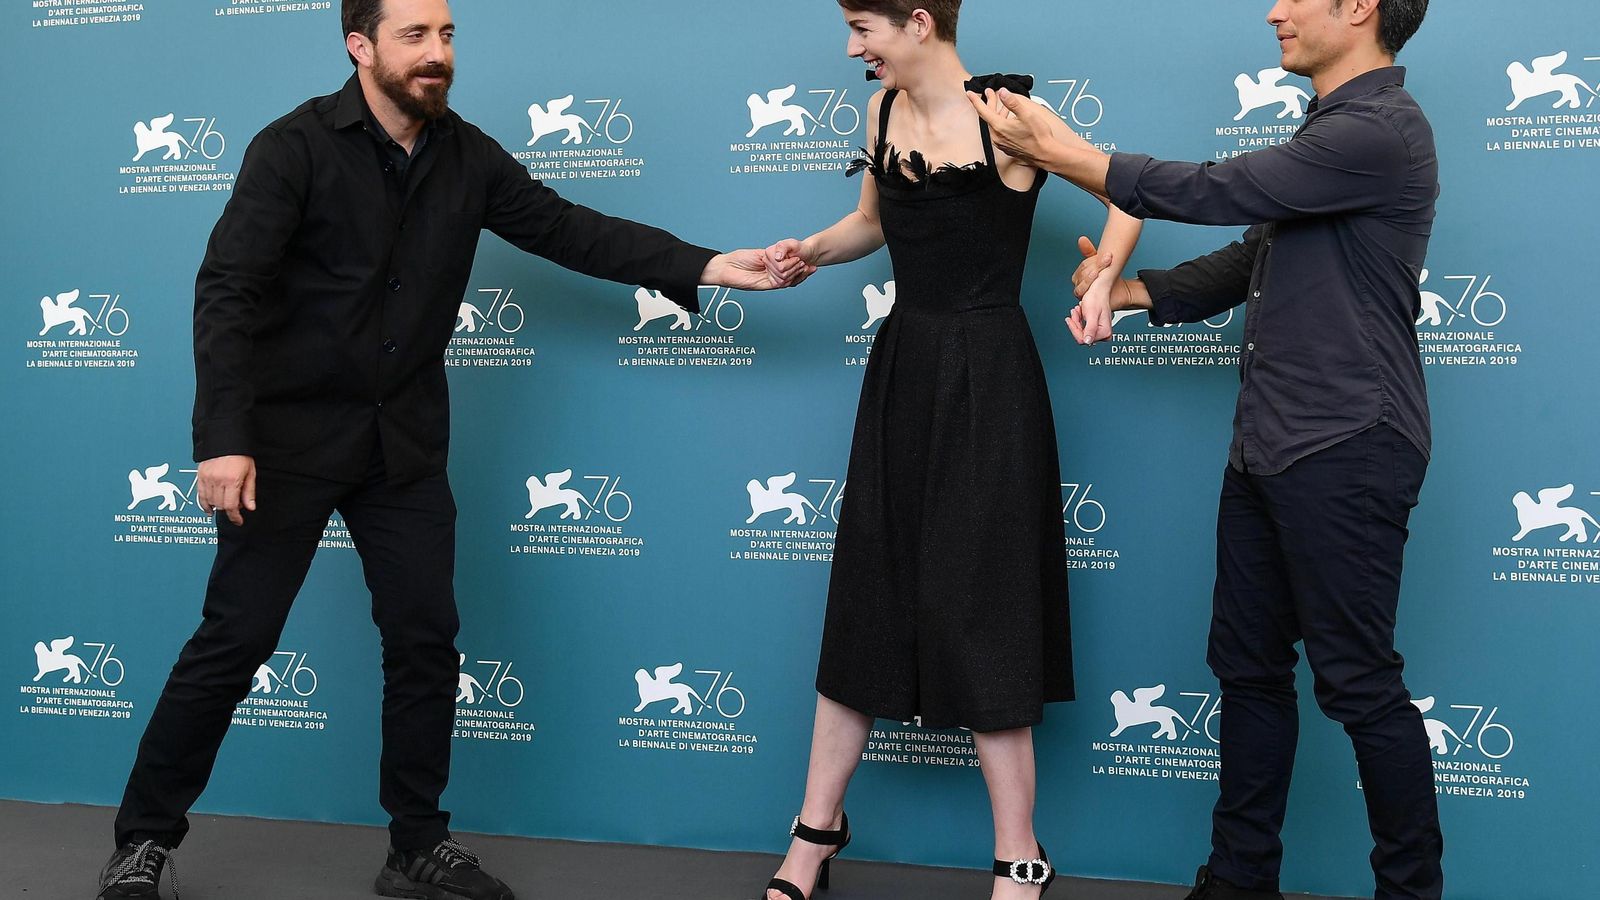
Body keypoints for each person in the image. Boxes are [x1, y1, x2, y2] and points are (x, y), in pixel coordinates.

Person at [93, 1, 797, 898]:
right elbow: (227, 290)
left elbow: (568, 228)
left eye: (448, 35)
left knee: (426, 643)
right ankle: (144, 840)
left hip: (405, 446)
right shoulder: (293, 147)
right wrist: (224, 439)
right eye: (415, 36)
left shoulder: (467, 154)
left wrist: (706, 264)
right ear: (361, 47)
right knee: (234, 640)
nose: (438, 54)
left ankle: (416, 848)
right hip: (288, 442)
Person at [968, 1, 1442, 897]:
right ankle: (1237, 882)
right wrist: (1135, 288)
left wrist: (1062, 150)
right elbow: (1255, 253)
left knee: (1358, 682)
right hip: (1269, 441)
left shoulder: (1380, 131)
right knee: (1249, 672)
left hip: (1349, 443)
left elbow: (1215, 189)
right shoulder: (1332, 133)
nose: (1275, 10)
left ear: (1361, 7)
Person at [757, 2, 1140, 898]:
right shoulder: (880, 112)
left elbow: (1128, 191)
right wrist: (810, 250)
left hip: (991, 375)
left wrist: (1107, 274)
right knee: (868, 585)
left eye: (864, 28)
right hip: (903, 368)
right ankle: (814, 837)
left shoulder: (1008, 113)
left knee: (987, 604)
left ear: (918, 21)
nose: (853, 49)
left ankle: (1020, 855)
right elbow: (873, 224)